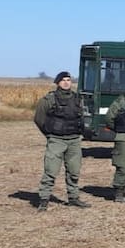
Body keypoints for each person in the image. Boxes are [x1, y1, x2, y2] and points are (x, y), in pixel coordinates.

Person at [32, 71, 90, 210]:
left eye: (68, 80)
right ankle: (44, 199)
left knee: (74, 171)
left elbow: (82, 117)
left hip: (74, 140)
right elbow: (39, 118)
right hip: (56, 140)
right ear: (57, 82)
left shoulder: (78, 99)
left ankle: (73, 198)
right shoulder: (49, 99)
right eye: (63, 80)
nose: (66, 82)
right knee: (50, 171)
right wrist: (50, 134)